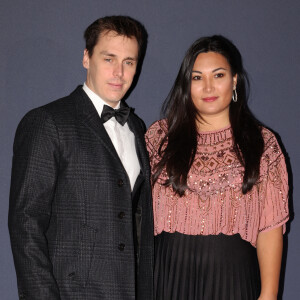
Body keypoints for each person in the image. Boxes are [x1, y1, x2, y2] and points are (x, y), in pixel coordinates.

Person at [8, 16, 153, 300]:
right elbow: (26, 223)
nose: (119, 73)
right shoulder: (47, 122)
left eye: (129, 62)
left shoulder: (137, 128)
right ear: (87, 58)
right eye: (109, 58)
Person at [145, 35, 289, 300]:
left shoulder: (262, 144)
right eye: (197, 77)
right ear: (186, 85)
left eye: (218, 75)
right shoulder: (158, 138)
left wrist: (268, 294)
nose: (208, 87)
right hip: (165, 280)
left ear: (234, 80)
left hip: (233, 281)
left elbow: (270, 228)